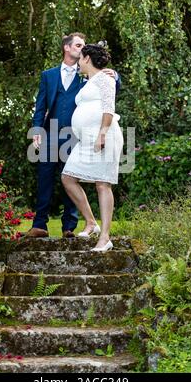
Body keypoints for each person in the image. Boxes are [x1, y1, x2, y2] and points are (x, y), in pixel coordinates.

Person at [28, 33, 120, 238]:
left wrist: (114, 74)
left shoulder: (87, 73)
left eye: (84, 46)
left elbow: (108, 90)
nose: (82, 49)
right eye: (78, 45)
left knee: (71, 175)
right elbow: (40, 105)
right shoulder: (49, 75)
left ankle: (69, 227)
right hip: (50, 132)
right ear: (67, 48)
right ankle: (39, 225)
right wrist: (36, 130)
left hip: (76, 136)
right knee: (45, 178)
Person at [61, 43, 123, 251]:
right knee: (68, 178)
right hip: (85, 141)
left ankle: (105, 237)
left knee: (102, 184)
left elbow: (109, 107)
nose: (78, 62)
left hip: (103, 135)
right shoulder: (90, 81)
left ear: (87, 59)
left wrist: (102, 133)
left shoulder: (105, 79)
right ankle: (91, 222)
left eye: (80, 58)